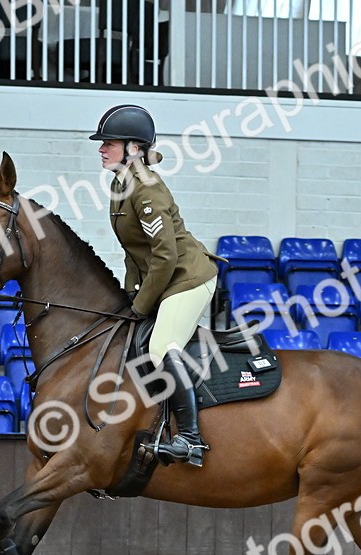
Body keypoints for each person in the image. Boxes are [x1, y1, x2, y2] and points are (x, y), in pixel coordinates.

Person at [92, 104, 221, 467]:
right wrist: (130, 295)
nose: (101, 149)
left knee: (162, 348)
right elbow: (136, 254)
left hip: (186, 280)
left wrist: (140, 304)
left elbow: (163, 257)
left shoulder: (146, 190)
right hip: (163, 279)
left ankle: (191, 440)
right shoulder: (122, 183)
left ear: (133, 148)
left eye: (109, 144)